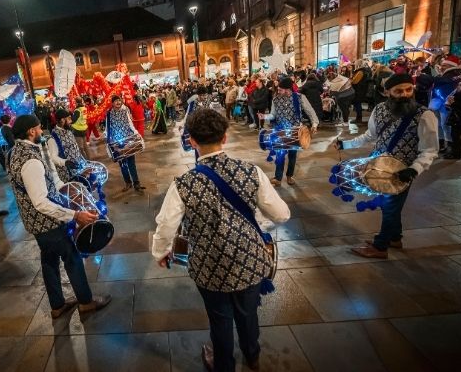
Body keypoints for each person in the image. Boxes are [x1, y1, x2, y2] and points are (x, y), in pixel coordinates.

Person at [152, 109, 290, 372]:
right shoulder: (251, 171)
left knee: (220, 318)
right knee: (248, 314)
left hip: (209, 266)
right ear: (225, 138)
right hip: (249, 262)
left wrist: (161, 252)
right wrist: (256, 225)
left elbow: (166, 224)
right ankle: (253, 355)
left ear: (191, 141)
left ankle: (224, 364)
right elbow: (282, 214)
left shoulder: (183, 184)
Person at [9, 115, 111, 319]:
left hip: (36, 223)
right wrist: (75, 214)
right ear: (31, 132)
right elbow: (40, 201)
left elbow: (46, 184)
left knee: (49, 261)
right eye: (39, 128)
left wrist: (68, 188)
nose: (41, 132)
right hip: (47, 223)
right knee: (72, 257)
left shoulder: (17, 151)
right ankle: (85, 302)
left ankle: (57, 305)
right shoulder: (30, 161)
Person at [333, 73, 439, 258]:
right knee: (390, 206)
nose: (405, 94)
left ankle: (380, 247)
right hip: (379, 167)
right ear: (387, 92)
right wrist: (346, 144)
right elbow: (370, 136)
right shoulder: (380, 109)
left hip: (402, 172)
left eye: (408, 89)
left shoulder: (425, 115)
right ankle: (395, 238)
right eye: (398, 91)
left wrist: (414, 169)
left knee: (390, 207)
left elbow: (430, 149)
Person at [261, 78, 319, 187]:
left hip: (295, 131)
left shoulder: (300, 97)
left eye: (280, 90)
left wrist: (314, 124)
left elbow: (310, 111)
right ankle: (278, 178)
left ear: (288, 90)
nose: (278, 92)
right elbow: (273, 114)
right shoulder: (275, 99)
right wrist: (265, 116)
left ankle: (289, 176)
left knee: (292, 155)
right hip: (280, 131)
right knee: (280, 155)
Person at [106, 95, 145, 193]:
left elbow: (130, 123)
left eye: (119, 100)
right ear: (112, 103)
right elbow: (108, 128)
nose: (118, 102)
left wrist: (136, 133)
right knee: (122, 165)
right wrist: (108, 141)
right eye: (116, 101)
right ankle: (128, 183)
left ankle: (136, 183)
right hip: (117, 143)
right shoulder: (109, 114)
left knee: (132, 163)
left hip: (128, 140)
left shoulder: (125, 110)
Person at [47, 109, 87, 183]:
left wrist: (83, 161)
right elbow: (53, 157)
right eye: (69, 118)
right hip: (68, 175)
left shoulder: (68, 130)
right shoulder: (52, 138)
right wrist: (65, 162)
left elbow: (75, 148)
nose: (71, 121)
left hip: (79, 169)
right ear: (62, 120)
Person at [444, 80, 461, 159]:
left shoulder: (459, 95)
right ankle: (456, 153)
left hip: (459, 119)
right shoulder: (457, 94)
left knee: (455, 136)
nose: (458, 87)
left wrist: (452, 104)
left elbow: (459, 107)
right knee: (455, 136)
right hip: (458, 118)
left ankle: (457, 154)